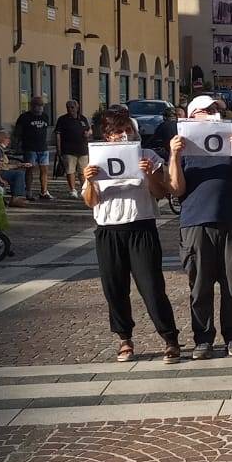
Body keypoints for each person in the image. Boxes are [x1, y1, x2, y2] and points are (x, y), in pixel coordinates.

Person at [82, 110, 181, 364]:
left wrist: (149, 174)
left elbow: (160, 193)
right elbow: (90, 202)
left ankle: (170, 338)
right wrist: (90, 181)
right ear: (108, 136)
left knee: (152, 287)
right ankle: (124, 338)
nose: (123, 135)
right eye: (117, 131)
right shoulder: (97, 160)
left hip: (141, 227)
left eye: (128, 130)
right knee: (114, 289)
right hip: (108, 230)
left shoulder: (146, 156)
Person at [169, 95, 232, 360]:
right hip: (196, 222)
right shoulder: (183, 146)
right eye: (206, 110)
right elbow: (175, 189)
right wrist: (174, 156)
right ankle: (203, 339)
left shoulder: (231, 141)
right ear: (192, 115)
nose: (213, 114)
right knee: (199, 285)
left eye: (216, 110)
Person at [13, 96, 54, 199]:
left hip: (43, 147)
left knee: (44, 170)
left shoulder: (45, 116)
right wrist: (17, 145)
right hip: (29, 147)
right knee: (30, 170)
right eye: (37, 105)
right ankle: (28, 191)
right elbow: (17, 132)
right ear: (32, 106)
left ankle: (44, 191)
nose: (40, 108)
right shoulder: (24, 117)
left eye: (41, 105)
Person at [56, 100, 92, 199]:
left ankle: (84, 189)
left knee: (83, 171)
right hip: (68, 149)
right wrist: (58, 149)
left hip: (82, 149)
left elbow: (89, 129)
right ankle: (72, 190)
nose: (70, 109)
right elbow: (58, 134)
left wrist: (88, 133)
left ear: (77, 107)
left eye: (72, 107)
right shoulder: (62, 119)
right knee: (70, 171)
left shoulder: (83, 118)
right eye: (68, 107)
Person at [0, 130, 30, 206]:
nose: (9, 141)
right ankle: (16, 198)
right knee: (19, 174)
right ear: (0, 139)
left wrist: (19, 165)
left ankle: (15, 196)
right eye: (7, 138)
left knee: (17, 171)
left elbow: (2, 165)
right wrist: (0, 179)